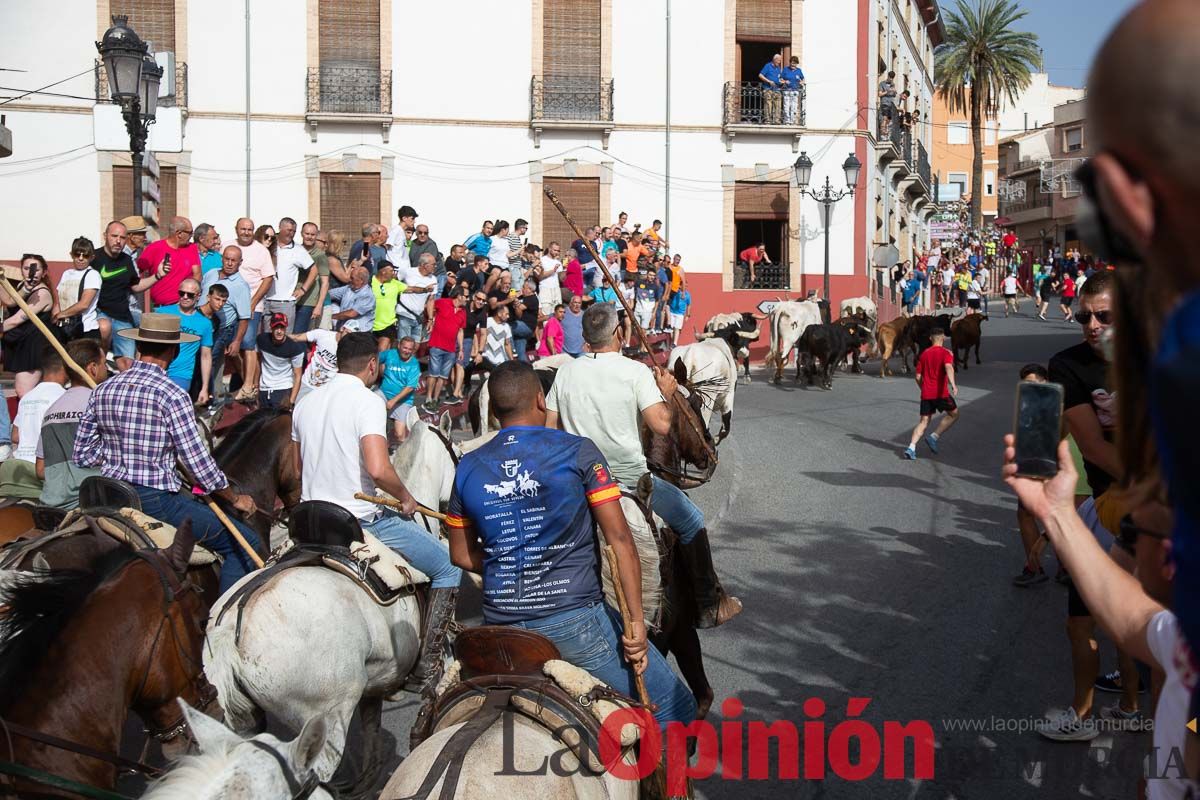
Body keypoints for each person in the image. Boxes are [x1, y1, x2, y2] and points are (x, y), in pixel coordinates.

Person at [445, 361, 696, 730]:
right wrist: (638, 626)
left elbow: (459, 553)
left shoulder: (467, 465)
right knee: (679, 713)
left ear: (494, 413)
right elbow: (621, 539)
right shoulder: (577, 451)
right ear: (540, 399)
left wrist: (515, 564)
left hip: (500, 627)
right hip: (574, 622)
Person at [545, 303, 742, 628]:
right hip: (630, 481)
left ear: (586, 337)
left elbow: (551, 429)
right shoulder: (634, 371)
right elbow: (662, 425)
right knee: (692, 518)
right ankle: (709, 605)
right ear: (619, 333)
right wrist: (667, 392)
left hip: (578, 481)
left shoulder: (566, 371)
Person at [291, 332, 462, 690]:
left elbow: (296, 469)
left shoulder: (305, 402)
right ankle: (427, 666)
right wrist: (406, 497)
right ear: (372, 365)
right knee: (448, 565)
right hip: (359, 518)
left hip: (309, 518)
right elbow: (379, 470)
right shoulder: (368, 402)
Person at [73, 313, 262, 592]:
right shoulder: (172, 394)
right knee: (247, 545)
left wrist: (120, 451)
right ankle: (220, 630)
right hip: (154, 501)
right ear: (173, 352)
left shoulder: (103, 389)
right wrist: (235, 498)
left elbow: (83, 456)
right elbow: (199, 468)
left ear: (138, 348)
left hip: (109, 495)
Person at [36, 338, 106, 509]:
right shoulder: (101, 405)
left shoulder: (51, 410)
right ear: (93, 368)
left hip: (50, 506)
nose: (107, 369)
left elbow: (40, 470)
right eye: (104, 364)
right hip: (89, 504)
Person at [0, 346, 68, 499]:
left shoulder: (28, 397)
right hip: (42, 471)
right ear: (65, 368)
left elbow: (15, 436)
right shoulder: (64, 397)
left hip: (18, 464)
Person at [231, 218, 276, 401]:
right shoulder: (227, 246)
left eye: (250, 229)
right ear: (237, 229)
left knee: (248, 344)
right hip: (228, 305)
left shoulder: (261, 251)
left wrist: (253, 301)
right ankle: (246, 382)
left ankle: (250, 385)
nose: (246, 232)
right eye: (243, 229)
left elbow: (268, 278)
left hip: (252, 306)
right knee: (232, 346)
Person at [1, 255, 57, 396]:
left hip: (33, 347)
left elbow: (16, 319)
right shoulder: (23, 286)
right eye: (26, 268)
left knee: (23, 391)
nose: (30, 272)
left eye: (35, 269)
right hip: (22, 343)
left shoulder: (42, 293)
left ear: (44, 272)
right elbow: (10, 301)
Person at [902, 329, 958, 460]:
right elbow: (949, 367)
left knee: (923, 422)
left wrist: (923, 388)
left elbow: (917, 376)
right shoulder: (947, 353)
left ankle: (911, 447)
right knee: (954, 414)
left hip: (927, 394)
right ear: (943, 338)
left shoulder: (924, 354)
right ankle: (934, 436)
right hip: (941, 394)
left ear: (930, 339)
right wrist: (953, 384)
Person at [139, 216, 201, 310]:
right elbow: (138, 274)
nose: (191, 236)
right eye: (189, 233)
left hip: (183, 307)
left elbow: (197, 275)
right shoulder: (154, 248)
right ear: (179, 233)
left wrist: (189, 297)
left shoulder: (191, 248)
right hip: (160, 308)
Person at [424, 286, 468, 411]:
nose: (467, 299)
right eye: (466, 296)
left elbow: (460, 331)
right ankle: (428, 397)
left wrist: (460, 349)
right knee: (433, 374)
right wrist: (431, 319)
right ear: (459, 296)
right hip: (437, 344)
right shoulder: (444, 302)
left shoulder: (463, 312)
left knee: (443, 377)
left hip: (451, 349)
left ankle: (435, 399)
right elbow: (431, 302)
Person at [52, 237, 102, 342]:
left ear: (91, 257)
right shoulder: (66, 274)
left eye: (85, 255)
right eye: (77, 254)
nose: (80, 258)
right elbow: (59, 301)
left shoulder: (92, 275)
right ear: (71, 255)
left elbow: (84, 304)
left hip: (85, 330)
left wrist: (60, 315)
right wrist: (55, 317)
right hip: (65, 329)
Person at [255, 313, 305, 409]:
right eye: (276, 328)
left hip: (283, 388)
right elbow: (257, 362)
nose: (279, 331)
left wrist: (291, 401)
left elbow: (298, 375)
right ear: (271, 328)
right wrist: (256, 385)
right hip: (263, 389)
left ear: (286, 328)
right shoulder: (261, 340)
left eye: (282, 328)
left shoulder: (295, 348)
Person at [378, 336, 420, 443]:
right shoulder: (390, 354)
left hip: (403, 400)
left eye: (410, 349)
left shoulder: (414, 364)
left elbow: (410, 387)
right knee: (371, 402)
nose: (406, 351)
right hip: (383, 393)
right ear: (399, 346)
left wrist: (393, 401)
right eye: (404, 348)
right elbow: (374, 359)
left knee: (400, 434)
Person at [396, 253, 438, 342]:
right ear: (424, 265)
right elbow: (394, 284)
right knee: (405, 345)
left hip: (418, 317)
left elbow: (431, 300)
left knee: (415, 346)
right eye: (433, 264)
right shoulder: (408, 272)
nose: (435, 266)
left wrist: (430, 319)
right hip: (405, 314)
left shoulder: (433, 279)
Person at [329, 266, 376, 333]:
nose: (349, 280)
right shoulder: (348, 288)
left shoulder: (367, 295)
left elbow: (351, 314)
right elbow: (329, 294)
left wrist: (330, 317)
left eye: (352, 278)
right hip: (343, 330)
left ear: (361, 280)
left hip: (359, 333)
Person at [370, 261, 404, 350]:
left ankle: (381, 364)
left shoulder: (394, 283)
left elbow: (411, 289)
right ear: (383, 271)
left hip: (388, 324)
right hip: (371, 323)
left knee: (383, 351)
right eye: (391, 271)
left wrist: (424, 289)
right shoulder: (370, 281)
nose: (393, 273)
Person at [476, 305, 515, 370]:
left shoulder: (506, 326)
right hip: (485, 356)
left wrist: (512, 360)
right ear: (499, 314)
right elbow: (477, 334)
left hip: (500, 360)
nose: (508, 316)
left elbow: (507, 344)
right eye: (506, 314)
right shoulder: (487, 321)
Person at [510, 278, 539, 362]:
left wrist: (515, 299)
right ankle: (527, 369)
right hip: (523, 329)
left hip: (526, 326)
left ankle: (511, 349)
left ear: (530, 289)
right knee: (521, 354)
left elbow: (520, 309)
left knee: (508, 327)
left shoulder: (532, 298)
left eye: (524, 287)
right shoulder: (524, 297)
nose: (522, 289)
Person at [537, 242, 564, 315]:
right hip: (545, 289)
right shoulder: (542, 260)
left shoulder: (558, 262)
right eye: (555, 250)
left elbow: (561, 278)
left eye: (558, 251)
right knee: (545, 312)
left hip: (556, 289)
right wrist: (553, 270)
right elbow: (540, 276)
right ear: (549, 249)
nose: (557, 252)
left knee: (557, 311)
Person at [758, 53, 784, 124]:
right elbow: (760, 75)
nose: (779, 62)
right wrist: (769, 81)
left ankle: (776, 120)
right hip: (767, 88)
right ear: (775, 59)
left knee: (778, 105)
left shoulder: (778, 68)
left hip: (777, 89)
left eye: (780, 61)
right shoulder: (767, 66)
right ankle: (768, 120)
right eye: (779, 61)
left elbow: (779, 78)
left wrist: (782, 81)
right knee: (768, 104)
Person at [781, 55, 805, 124]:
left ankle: (792, 121)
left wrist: (801, 82)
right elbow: (781, 79)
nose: (793, 65)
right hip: (787, 90)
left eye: (794, 63)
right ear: (790, 63)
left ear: (797, 64)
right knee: (786, 106)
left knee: (794, 106)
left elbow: (803, 79)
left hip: (795, 90)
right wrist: (785, 81)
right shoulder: (785, 69)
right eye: (792, 63)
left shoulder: (799, 70)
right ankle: (787, 121)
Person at [878, 70, 898, 137]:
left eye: (892, 78)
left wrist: (895, 91)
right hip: (885, 103)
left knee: (889, 119)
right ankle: (882, 131)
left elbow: (894, 95)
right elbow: (880, 94)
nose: (891, 79)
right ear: (888, 76)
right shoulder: (882, 84)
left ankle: (885, 131)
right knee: (885, 118)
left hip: (891, 104)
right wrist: (887, 91)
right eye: (890, 77)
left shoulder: (893, 84)